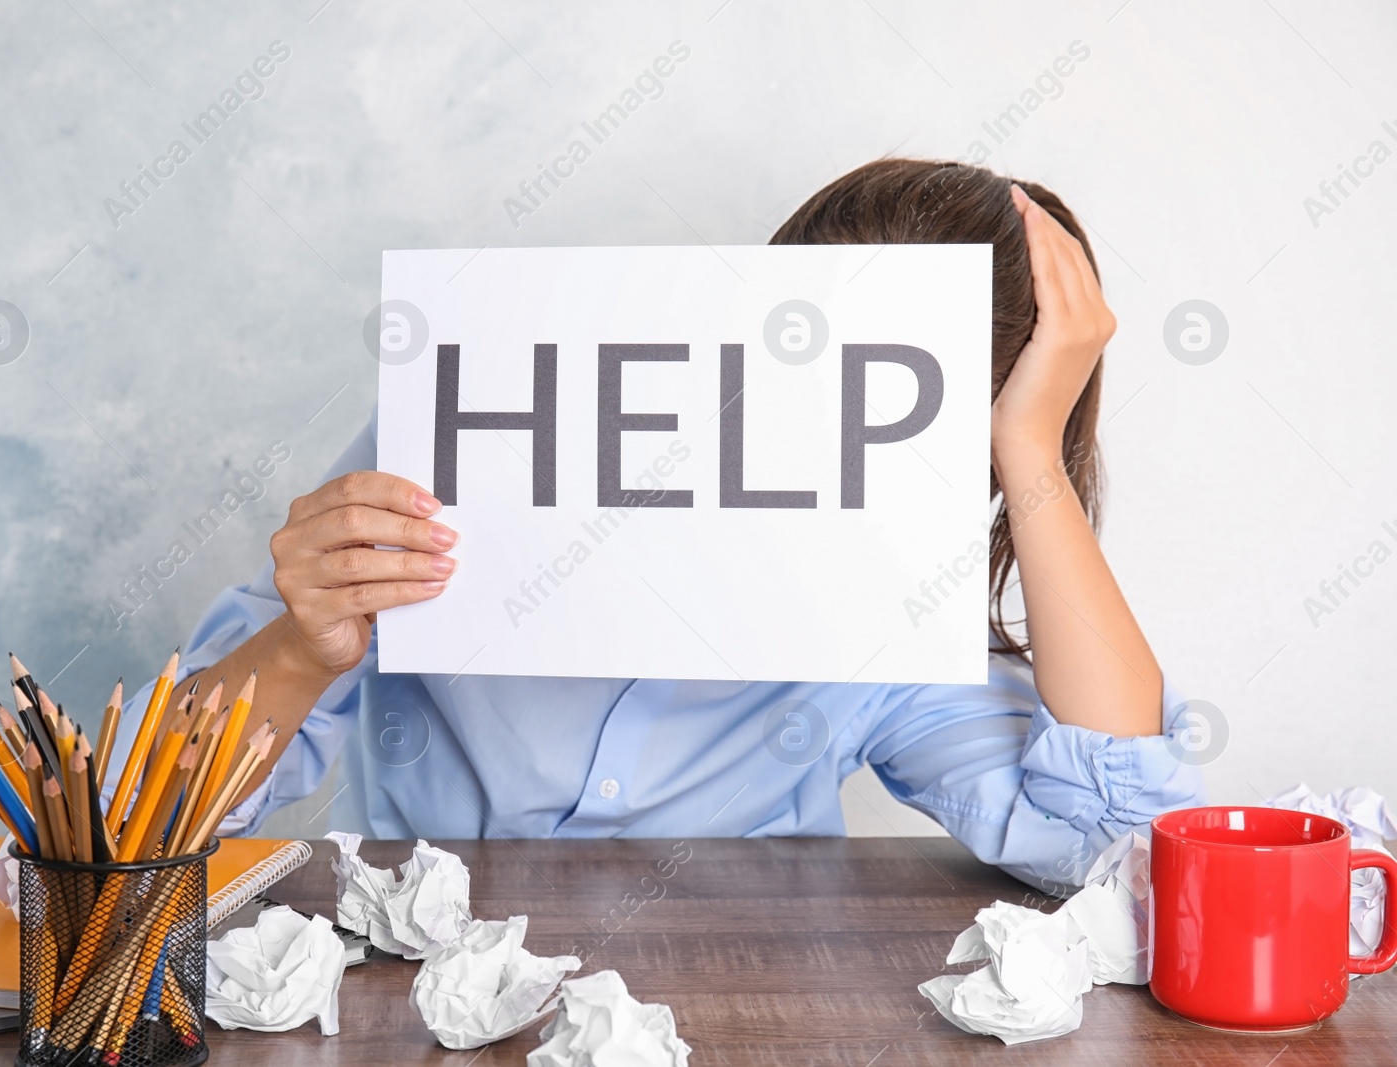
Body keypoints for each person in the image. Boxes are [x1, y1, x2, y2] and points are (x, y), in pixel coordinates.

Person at [109, 158, 1202, 891]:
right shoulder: (470, 428)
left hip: (744, 999)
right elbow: (124, 830)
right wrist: (302, 646)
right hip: (423, 988)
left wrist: (1032, 461)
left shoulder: (889, 606)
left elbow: (1111, 844)